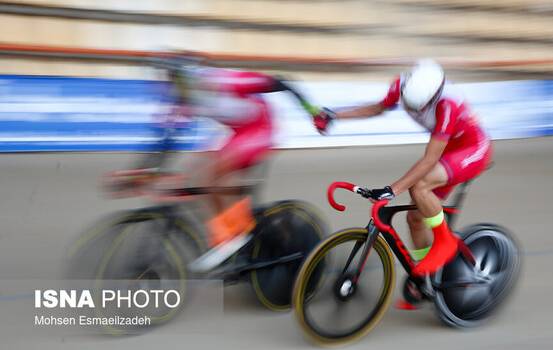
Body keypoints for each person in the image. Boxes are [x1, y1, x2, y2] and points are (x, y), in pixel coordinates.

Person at [314, 59, 493, 281]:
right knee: (415, 219)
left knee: (420, 186)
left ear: (433, 97)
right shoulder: (402, 85)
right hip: (449, 151)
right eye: (408, 105)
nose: (410, 110)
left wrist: (392, 189)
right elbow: (376, 108)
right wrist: (334, 114)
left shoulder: (448, 105)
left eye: (417, 108)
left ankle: (444, 240)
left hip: (472, 149)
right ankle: (426, 278)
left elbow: (429, 160)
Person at [158, 57, 324, 272]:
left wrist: (312, 112)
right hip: (240, 132)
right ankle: (230, 231)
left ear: (186, 77)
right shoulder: (186, 98)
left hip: (262, 128)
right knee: (194, 170)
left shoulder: (226, 82)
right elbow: (167, 139)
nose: (170, 85)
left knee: (213, 174)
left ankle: (236, 234)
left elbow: (282, 82)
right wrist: (145, 171)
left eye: (173, 79)